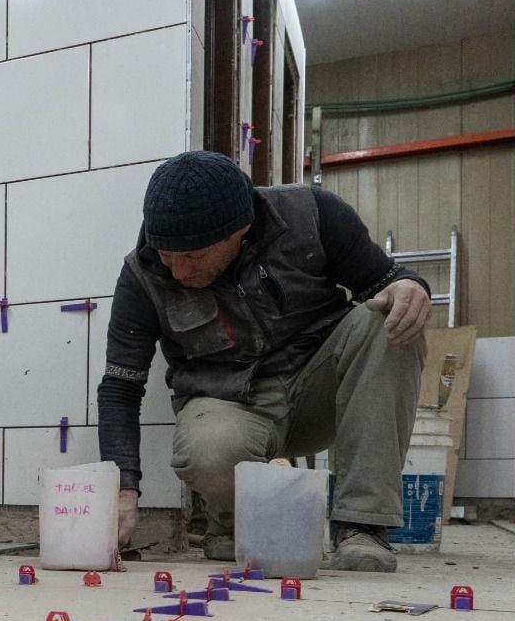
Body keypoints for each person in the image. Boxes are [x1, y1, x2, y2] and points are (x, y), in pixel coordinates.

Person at [97, 151, 431, 572]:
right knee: (209, 446)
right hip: (230, 403)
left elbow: (385, 280)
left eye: (194, 257)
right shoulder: (142, 275)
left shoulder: (313, 214)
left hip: (318, 388)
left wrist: (409, 285)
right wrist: (124, 489)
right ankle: (233, 522)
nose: (178, 271)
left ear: (241, 230)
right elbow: (120, 387)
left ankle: (361, 525)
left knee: (388, 319)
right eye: (168, 256)